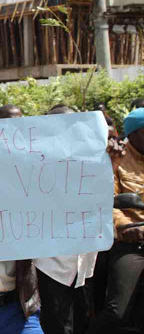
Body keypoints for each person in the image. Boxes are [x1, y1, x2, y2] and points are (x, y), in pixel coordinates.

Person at [33, 105, 97, 334]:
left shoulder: (93, 159)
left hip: (84, 265)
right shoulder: (33, 163)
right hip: (51, 265)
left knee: (82, 324)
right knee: (59, 328)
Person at [89, 108, 144, 333]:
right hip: (131, 242)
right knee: (117, 311)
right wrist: (124, 227)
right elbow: (106, 200)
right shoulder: (116, 159)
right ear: (134, 133)